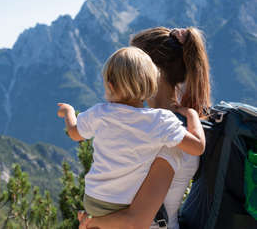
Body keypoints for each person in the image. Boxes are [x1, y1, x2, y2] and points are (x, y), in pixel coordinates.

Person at [79, 27, 211, 229]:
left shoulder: (168, 134)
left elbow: (137, 221)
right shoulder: (153, 126)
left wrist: (91, 222)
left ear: (151, 72)